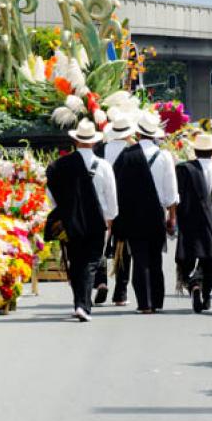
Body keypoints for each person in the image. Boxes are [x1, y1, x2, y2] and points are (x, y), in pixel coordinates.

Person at [46, 118, 118, 322]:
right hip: (98, 220)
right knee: (91, 262)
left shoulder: (62, 165)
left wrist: (63, 211)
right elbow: (111, 195)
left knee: (76, 260)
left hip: (72, 220)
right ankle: (82, 306)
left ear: (76, 141)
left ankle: (79, 302)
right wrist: (111, 218)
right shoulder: (103, 166)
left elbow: (51, 193)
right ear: (94, 142)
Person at [114, 110, 178, 314]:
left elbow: (118, 187)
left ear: (138, 133)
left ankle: (145, 302)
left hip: (133, 214)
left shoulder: (126, 155)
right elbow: (171, 190)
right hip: (156, 213)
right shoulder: (164, 156)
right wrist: (172, 216)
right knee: (155, 257)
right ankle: (157, 300)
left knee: (140, 257)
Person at [175, 132, 212, 313]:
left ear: (196, 151)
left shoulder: (185, 169)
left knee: (188, 258)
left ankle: (193, 283)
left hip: (190, 222)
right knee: (210, 261)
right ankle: (205, 294)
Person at [92, 115, 136, 305]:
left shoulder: (100, 149)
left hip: (101, 204)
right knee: (122, 249)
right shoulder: (134, 152)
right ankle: (121, 292)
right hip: (126, 205)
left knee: (99, 245)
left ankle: (101, 281)